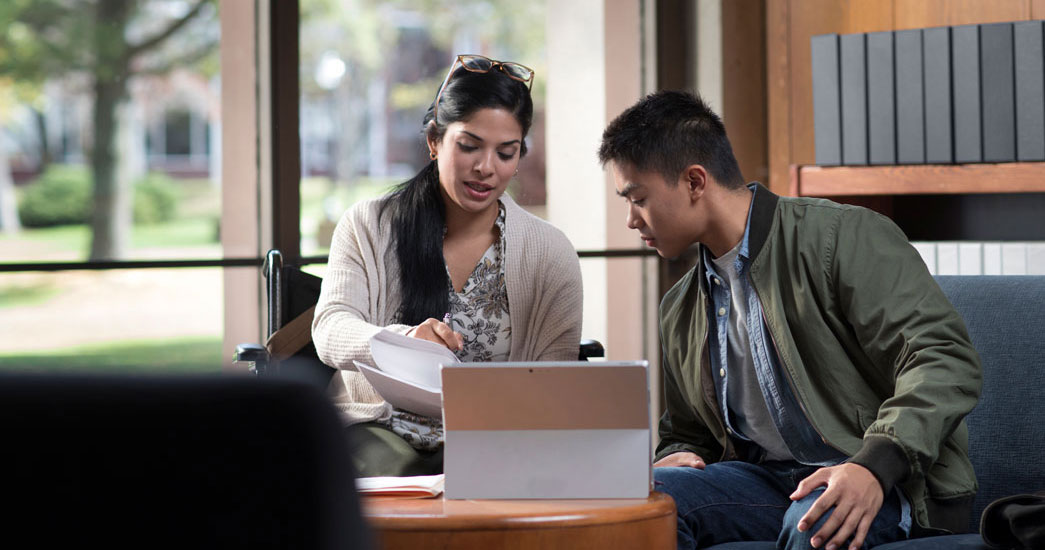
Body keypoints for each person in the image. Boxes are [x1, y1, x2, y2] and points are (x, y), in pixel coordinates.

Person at [598, 90, 982, 550]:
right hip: (765, 483)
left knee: (815, 522)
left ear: (695, 182)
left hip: (885, 479)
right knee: (644, 506)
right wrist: (676, 458)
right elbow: (687, 432)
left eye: (637, 198)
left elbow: (943, 358)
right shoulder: (680, 306)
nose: (630, 220)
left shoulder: (841, 238)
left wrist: (873, 465)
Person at [313, 55, 583, 477]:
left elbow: (553, 381)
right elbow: (329, 328)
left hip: (498, 441)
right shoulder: (369, 224)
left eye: (506, 153)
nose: (486, 168)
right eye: (469, 146)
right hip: (380, 434)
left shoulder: (550, 252)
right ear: (435, 140)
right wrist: (402, 343)